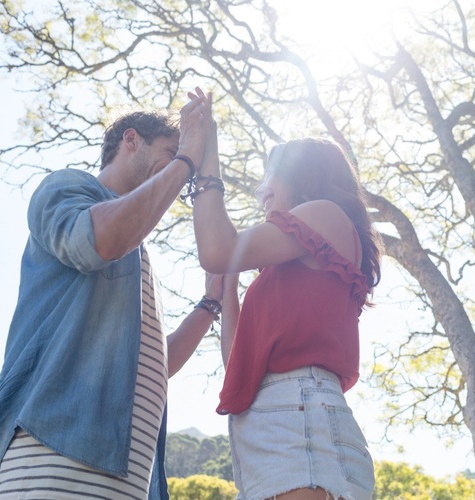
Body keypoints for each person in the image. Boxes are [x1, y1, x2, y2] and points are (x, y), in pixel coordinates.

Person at [0, 95, 221, 500]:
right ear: (131, 140)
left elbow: (157, 364)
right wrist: (189, 157)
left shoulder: (139, 257)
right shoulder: (67, 188)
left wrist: (210, 304)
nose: (180, 166)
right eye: (169, 152)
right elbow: (99, 241)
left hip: (128, 480)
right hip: (51, 465)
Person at [189, 90, 383, 500]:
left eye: (268, 178)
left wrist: (206, 158)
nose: (261, 192)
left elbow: (217, 249)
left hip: (298, 417)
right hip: (277, 423)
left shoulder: (325, 213)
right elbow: (236, 363)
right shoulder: (287, 266)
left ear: (301, 176)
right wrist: (228, 292)